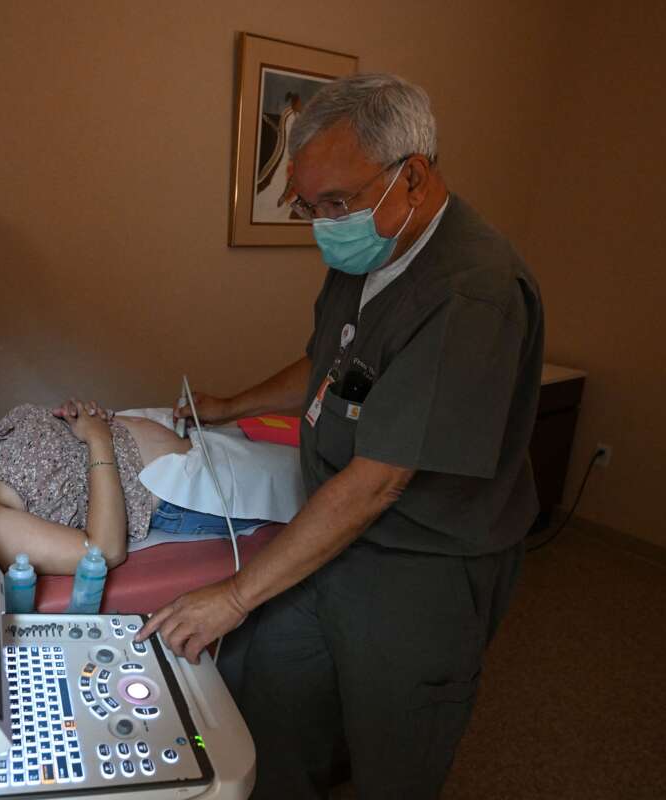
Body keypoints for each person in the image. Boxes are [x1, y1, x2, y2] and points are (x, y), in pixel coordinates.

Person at [136, 73, 544, 799]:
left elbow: (379, 480)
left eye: (336, 203)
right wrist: (230, 405)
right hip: (339, 536)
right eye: (308, 205)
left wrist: (233, 595)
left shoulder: (470, 293)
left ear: (411, 177)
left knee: (395, 746)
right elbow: (333, 365)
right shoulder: (372, 254)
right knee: (274, 692)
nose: (322, 223)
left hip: (424, 560)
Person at [0, 399, 266, 575]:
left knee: (299, 456)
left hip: (177, 433)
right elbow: (103, 551)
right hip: (179, 491)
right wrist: (97, 438)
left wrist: (78, 417)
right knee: (302, 487)